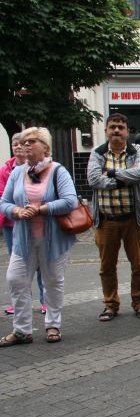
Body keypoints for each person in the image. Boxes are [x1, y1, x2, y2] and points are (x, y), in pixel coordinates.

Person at [0, 127, 78, 346]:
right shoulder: (17, 173)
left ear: (45, 146)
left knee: (52, 281)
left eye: (31, 141)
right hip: (23, 239)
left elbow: (70, 201)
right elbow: (4, 202)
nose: (25, 145)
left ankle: (53, 324)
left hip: (53, 238)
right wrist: (16, 211)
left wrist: (41, 209)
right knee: (15, 280)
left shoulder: (57, 171)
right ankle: (22, 330)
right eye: (23, 142)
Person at [87, 113, 140, 322]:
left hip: (133, 219)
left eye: (120, 127)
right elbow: (94, 179)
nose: (116, 131)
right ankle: (110, 305)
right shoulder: (97, 153)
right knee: (107, 267)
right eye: (112, 127)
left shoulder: (137, 151)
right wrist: (124, 178)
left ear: (127, 131)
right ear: (106, 130)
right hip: (106, 220)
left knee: (138, 265)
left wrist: (111, 174)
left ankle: (139, 302)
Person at [1, 132, 45, 316]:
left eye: (22, 143)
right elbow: (3, 195)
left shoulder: (43, 168)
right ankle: (19, 304)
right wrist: (17, 210)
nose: (19, 146)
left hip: (38, 224)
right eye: (15, 144)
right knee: (18, 267)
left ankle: (45, 301)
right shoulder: (6, 170)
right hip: (12, 224)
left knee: (42, 266)